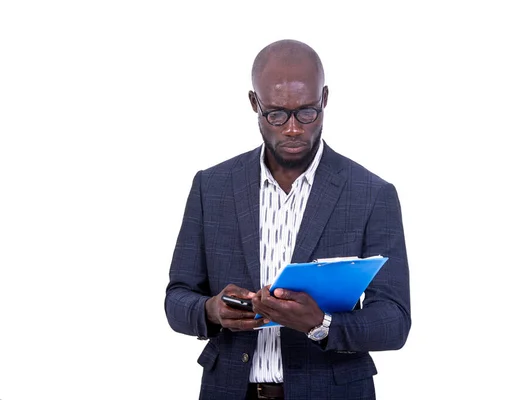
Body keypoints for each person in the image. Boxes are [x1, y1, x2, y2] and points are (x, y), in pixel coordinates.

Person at [165, 39, 411, 400]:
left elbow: (394, 321)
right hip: (229, 390)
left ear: (325, 98)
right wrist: (211, 309)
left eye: (307, 112)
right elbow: (176, 300)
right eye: (276, 114)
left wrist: (321, 325)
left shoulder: (371, 193)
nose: (293, 129)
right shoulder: (211, 187)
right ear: (254, 104)